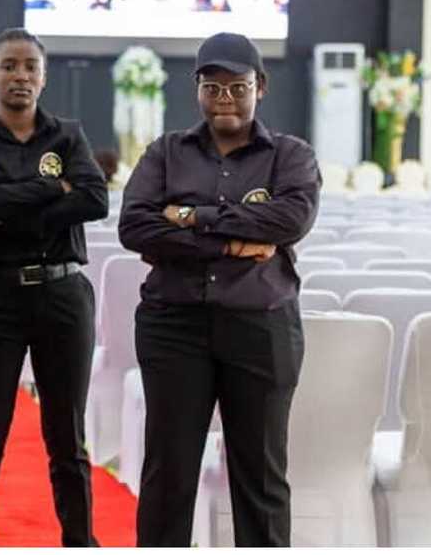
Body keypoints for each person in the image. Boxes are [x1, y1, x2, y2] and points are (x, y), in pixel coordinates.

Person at [118, 32, 320, 547]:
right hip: (174, 328)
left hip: (260, 327)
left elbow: (290, 219)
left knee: (261, 478)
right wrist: (233, 244)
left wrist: (190, 218)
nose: (225, 98)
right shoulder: (166, 152)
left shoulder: (290, 156)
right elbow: (136, 227)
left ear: (261, 87)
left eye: (238, 86)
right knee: (169, 473)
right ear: (198, 89)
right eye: (214, 86)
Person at [0, 28, 108, 548]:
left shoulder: (67, 134)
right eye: (9, 66)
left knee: (67, 435)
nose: (20, 76)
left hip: (62, 296)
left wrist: (13, 208)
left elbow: (95, 199)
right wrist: (53, 190)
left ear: (43, 76)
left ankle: (80, 539)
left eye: (30, 66)